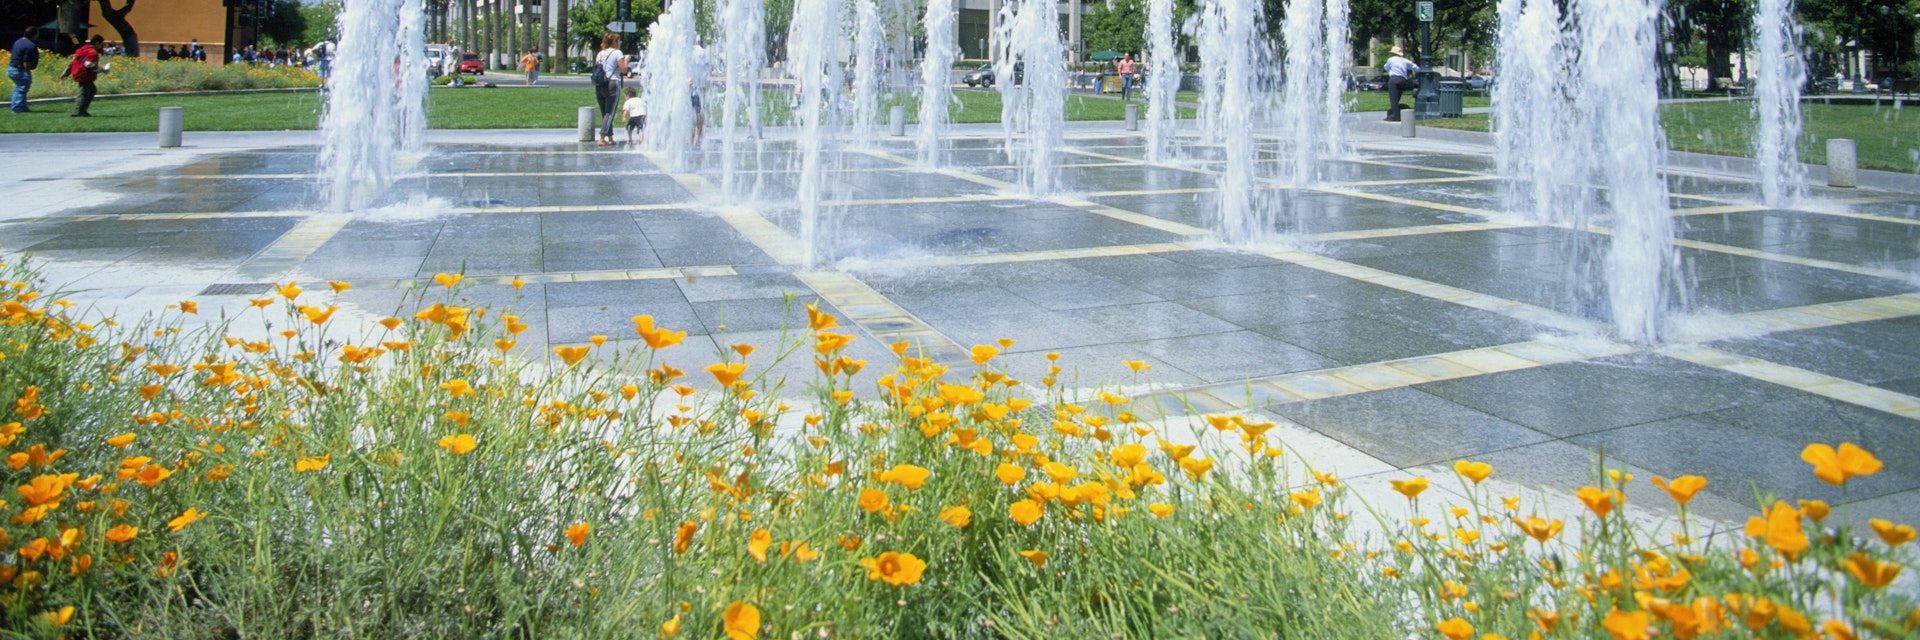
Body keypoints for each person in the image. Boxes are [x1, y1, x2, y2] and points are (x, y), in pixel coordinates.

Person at [593, 32, 628, 147]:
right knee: (610, 112)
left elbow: (597, 67)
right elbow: (623, 70)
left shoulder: (600, 53)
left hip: (600, 84)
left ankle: (610, 137)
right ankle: (602, 138)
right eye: (618, 41)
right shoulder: (617, 53)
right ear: (614, 42)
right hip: (612, 83)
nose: (620, 43)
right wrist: (626, 60)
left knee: (605, 112)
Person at [61, 35, 104, 117]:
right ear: (97, 43)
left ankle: (82, 110)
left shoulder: (82, 49)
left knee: (91, 90)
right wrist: (102, 70)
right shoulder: (93, 52)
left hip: (77, 73)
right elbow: (89, 65)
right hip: (85, 75)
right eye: (101, 44)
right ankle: (77, 112)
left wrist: (66, 73)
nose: (101, 46)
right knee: (83, 93)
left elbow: (72, 62)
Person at [9, 27, 41, 114]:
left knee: (19, 88)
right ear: (34, 35)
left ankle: (23, 107)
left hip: (12, 68)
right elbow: (27, 61)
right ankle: (16, 109)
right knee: (21, 89)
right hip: (20, 70)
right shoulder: (30, 45)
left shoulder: (18, 41)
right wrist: (26, 72)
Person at [1383, 45, 1418, 122]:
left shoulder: (1391, 60)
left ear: (1393, 53)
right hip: (1402, 79)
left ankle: (1395, 116)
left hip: (1394, 79)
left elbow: (1386, 67)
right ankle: (1395, 113)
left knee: (1393, 99)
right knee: (1397, 97)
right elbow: (1415, 67)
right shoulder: (1405, 60)